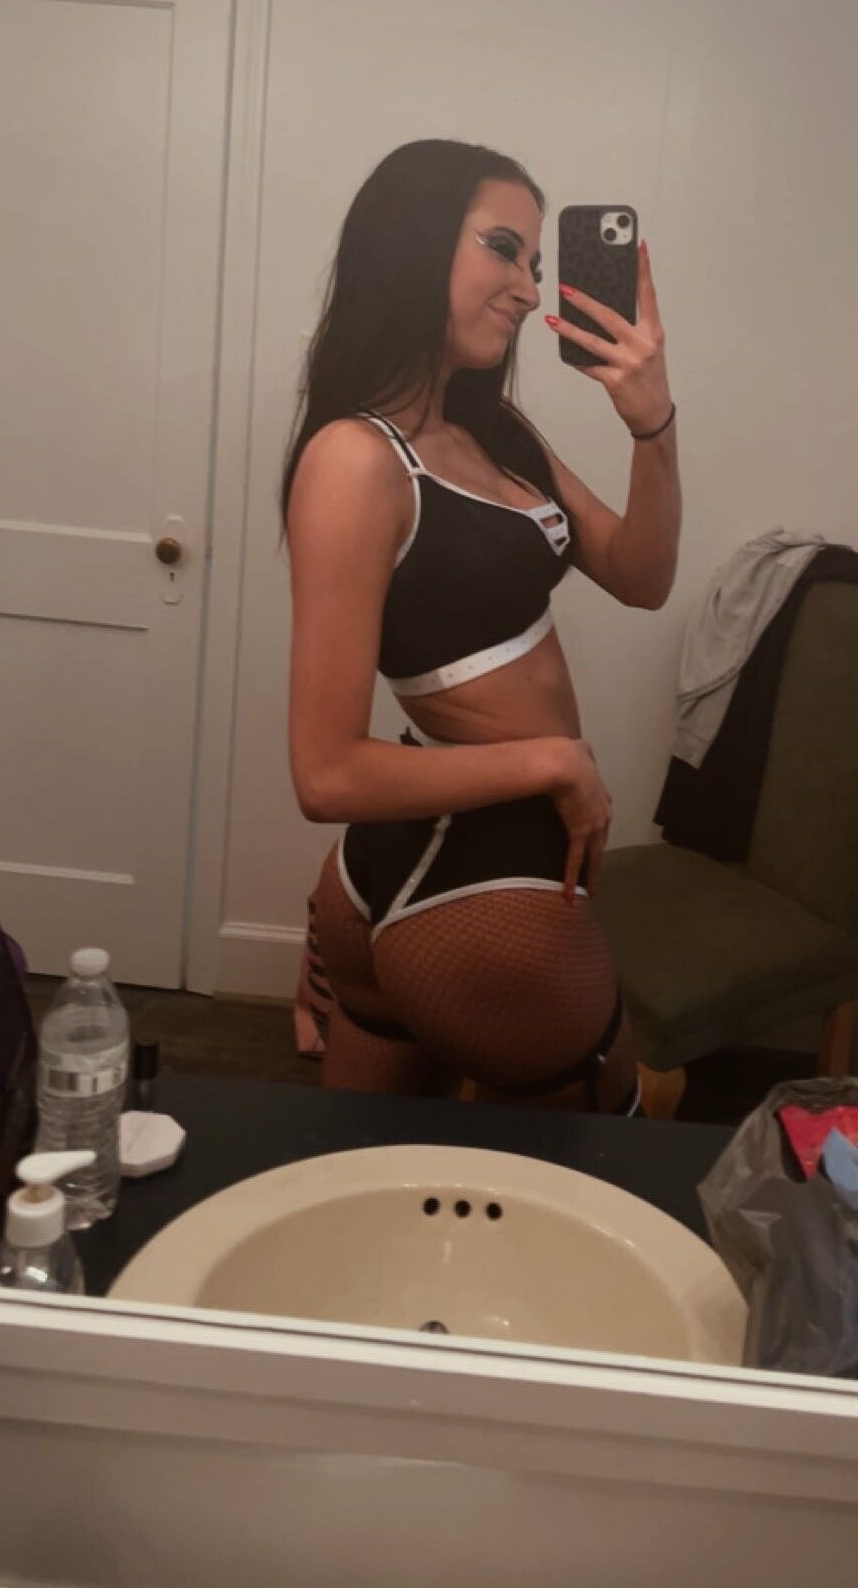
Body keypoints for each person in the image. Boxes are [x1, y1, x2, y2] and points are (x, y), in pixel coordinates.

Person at [282, 139, 680, 1113]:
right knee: (595, 1165)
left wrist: (652, 424)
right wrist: (553, 762)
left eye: (535, 263)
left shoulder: (496, 430)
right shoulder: (355, 460)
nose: (528, 289)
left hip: (430, 868)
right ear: (412, 242)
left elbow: (640, 575)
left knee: (368, 1172)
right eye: (501, 248)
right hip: (476, 890)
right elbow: (324, 774)